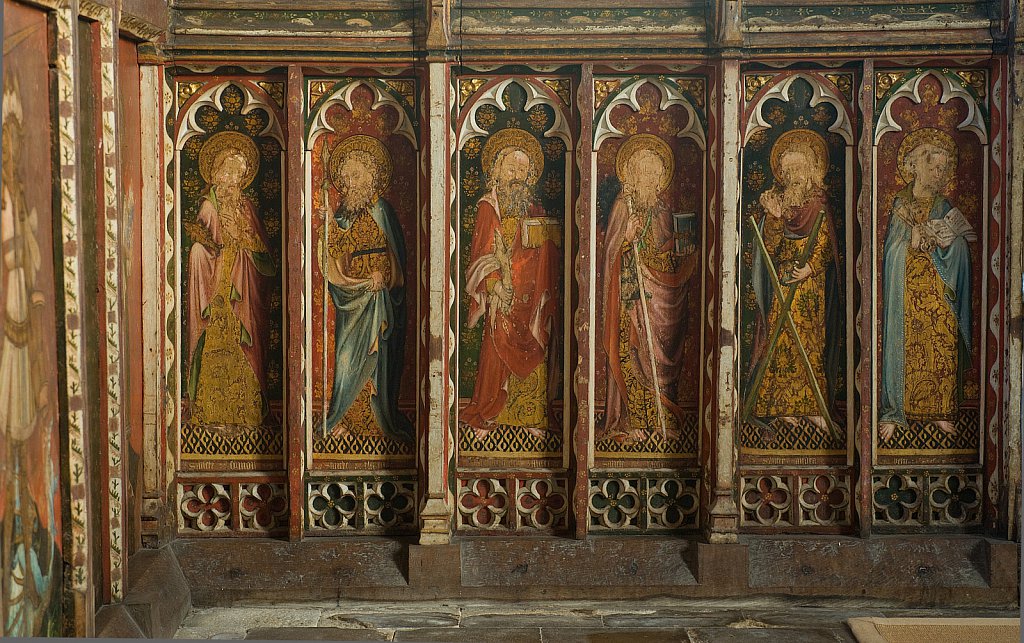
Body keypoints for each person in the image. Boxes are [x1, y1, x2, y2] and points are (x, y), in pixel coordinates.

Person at [461, 129, 560, 441]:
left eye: (522, 170)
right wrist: (493, 287)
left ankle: (532, 416)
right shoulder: (488, 208)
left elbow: (545, 248)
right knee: (496, 353)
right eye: (511, 168)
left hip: (530, 298)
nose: (517, 176)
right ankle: (488, 412)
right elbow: (481, 254)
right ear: (497, 171)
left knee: (535, 348)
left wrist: (549, 239)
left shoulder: (534, 209)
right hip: (504, 295)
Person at [879, 129, 974, 443]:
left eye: (943, 169)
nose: (940, 174)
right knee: (903, 349)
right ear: (916, 167)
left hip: (939, 294)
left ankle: (939, 412)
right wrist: (910, 240)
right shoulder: (901, 204)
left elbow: (960, 245)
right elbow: (891, 251)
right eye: (934, 167)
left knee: (940, 349)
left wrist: (947, 244)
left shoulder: (944, 206)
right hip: (905, 293)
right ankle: (895, 412)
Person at [600, 134, 697, 441]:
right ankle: (631, 421)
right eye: (645, 174)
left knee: (657, 356)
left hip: (659, 297)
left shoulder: (661, 209)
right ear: (632, 176)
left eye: (655, 175)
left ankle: (659, 420)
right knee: (632, 351)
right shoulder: (623, 206)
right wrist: (625, 239)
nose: (651, 180)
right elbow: (610, 251)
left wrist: (681, 246)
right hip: (631, 296)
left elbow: (669, 248)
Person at [318, 135, 413, 444]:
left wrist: (381, 276)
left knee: (377, 358)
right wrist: (327, 222)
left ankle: (378, 422)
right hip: (353, 297)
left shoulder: (383, 212)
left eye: (355, 176)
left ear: (372, 176)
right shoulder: (345, 214)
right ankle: (340, 417)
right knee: (347, 359)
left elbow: (396, 260)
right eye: (345, 179)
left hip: (377, 298)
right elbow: (336, 250)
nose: (349, 185)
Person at [749, 129, 840, 433]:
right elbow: (769, 249)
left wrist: (811, 268)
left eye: (799, 169)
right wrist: (773, 218)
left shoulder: (819, 203)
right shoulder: (779, 203)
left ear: (812, 170)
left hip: (809, 286)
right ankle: (782, 407)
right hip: (783, 281)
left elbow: (826, 245)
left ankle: (814, 408)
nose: (793, 176)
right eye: (788, 171)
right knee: (781, 342)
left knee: (810, 342)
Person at [187, 133, 276, 432]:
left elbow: (262, 250)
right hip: (217, 286)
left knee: (242, 345)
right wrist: (212, 252)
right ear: (215, 174)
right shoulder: (208, 207)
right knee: (217, 346)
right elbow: (202, 244)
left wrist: (249, 247)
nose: (232, 180)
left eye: (237, 175)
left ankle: (247, 415)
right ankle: (212, 416)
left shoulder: (246, 207)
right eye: (227, 172)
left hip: (243, 284)